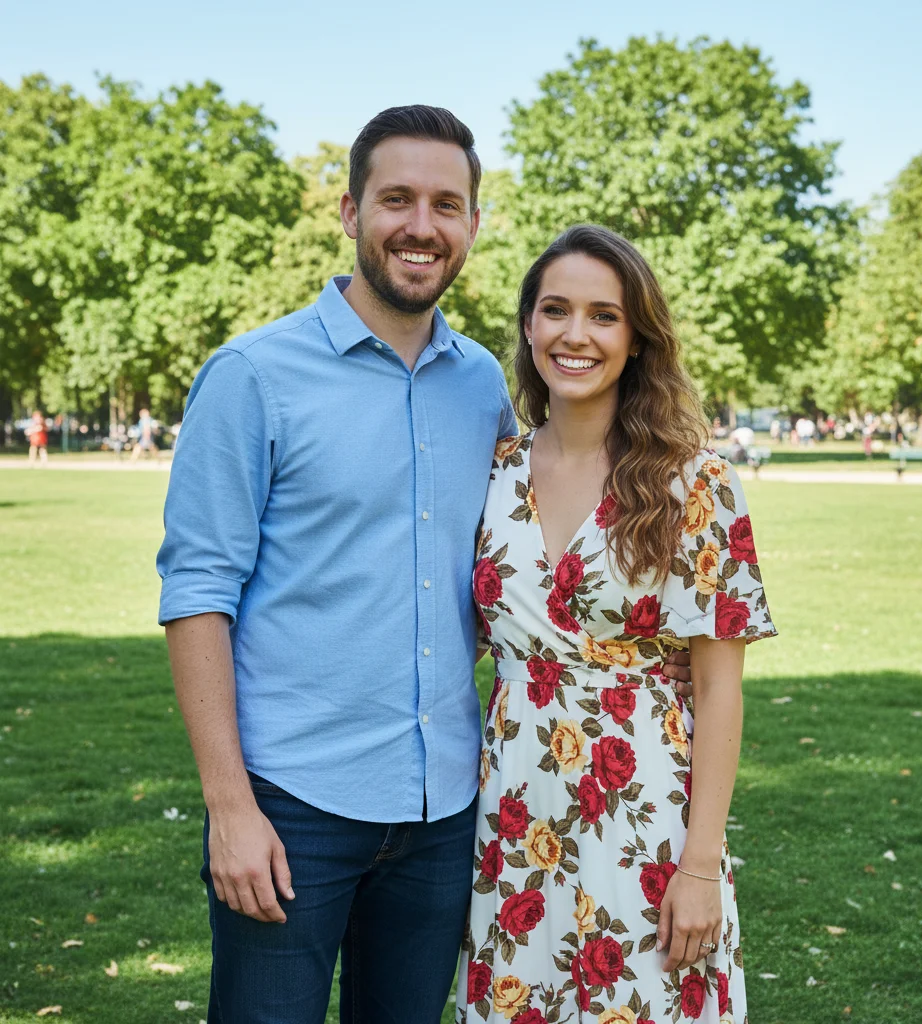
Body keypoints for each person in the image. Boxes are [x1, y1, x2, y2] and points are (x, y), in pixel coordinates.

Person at [157, 108, 692, 1024]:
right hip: (293, 806)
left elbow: (527, 554)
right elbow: (198, 595)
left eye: (447, 204)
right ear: (350, 210)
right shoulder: (253, 375)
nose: (421, 225)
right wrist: (230, 808)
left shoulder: (483, 381)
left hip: (450, 810)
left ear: (473, 225)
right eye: (396, 198)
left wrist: (641, 648)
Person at [456, 226, 776, 1024]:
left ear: (636, 339)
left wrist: (701, 863)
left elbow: (720, 686)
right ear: (528, 326)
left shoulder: (694, 484)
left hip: (645, 817)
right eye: (555, 310)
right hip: (511, 812)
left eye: (604, 316)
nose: (575, 334)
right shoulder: (493, 471)